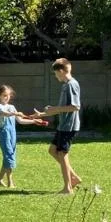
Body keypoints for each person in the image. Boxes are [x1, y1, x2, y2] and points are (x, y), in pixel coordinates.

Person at [34, 58, 82, 195]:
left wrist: (54, 108)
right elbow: (62, 108)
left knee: (62, 154)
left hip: (69, 127)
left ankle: (68, 187)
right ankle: (74, 178)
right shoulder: (66, 85)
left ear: (61, 71)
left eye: (55, 74)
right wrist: (43, 114)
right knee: (52, 150)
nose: (55, 76)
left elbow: (75, 107)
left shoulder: (71, 85)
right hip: (63, 125)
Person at [0, 85, 41, 188]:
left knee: (9, 156)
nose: (7, 97)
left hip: (12, 134)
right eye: (4, 95)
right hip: (4, 134)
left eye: (8, 95)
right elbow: (4, 113)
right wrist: (15, 113)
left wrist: (34, 121)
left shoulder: (12, 107)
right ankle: (10, 182)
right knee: (9, 156)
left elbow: (21, 121)